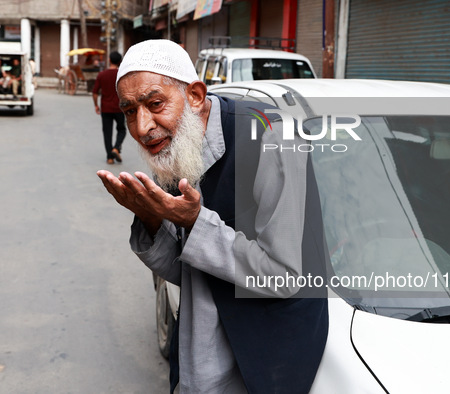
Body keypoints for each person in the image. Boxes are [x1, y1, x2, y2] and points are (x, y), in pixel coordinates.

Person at [97, 40, 328, 393]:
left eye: (155, 103)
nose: (142, 127)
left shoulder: (272, 136)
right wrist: (152, 219)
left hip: (262, 368)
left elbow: (284, 276)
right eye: (129, 111)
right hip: (198, 362)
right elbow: (186, 272)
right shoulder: (175, 147)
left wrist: (194, 222)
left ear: (194, 94)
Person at [92, 51, 126, 164]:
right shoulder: (122, 75)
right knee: (122, 129)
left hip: (106, 108)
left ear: (109, 60)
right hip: (119, 108)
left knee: (107, 132)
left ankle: (109, 158)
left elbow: (95, 92)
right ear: (120, 62)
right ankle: (116, 148)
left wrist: (96, 105)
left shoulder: (102, 75)